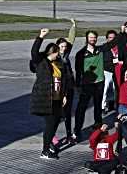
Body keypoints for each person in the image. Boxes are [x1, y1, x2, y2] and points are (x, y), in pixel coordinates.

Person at [30, 29, 69, 159]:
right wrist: (41, 36)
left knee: (55, 122)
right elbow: (34, 52)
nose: (59, 55)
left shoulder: (58, 64)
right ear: (52, 52)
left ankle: (49, 145)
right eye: (57, 52)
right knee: (50, 124)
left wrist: (64, 95)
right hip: (47, 99)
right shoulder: (42, 62)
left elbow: (62, 80)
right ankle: (45, 150)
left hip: (57, 98)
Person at [74, 30, 118, 142]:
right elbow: (78, 72)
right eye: (91, 37)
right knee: (81, 108)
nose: (93, 39)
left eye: (94, 38)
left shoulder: (100, 50)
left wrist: (124, 31)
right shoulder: (81, 54)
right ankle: (77, 130)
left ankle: (98, 129)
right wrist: (78, 86)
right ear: (86, 38)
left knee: (98, 108)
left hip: (99, 84)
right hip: (86, 85)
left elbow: (113, 43)